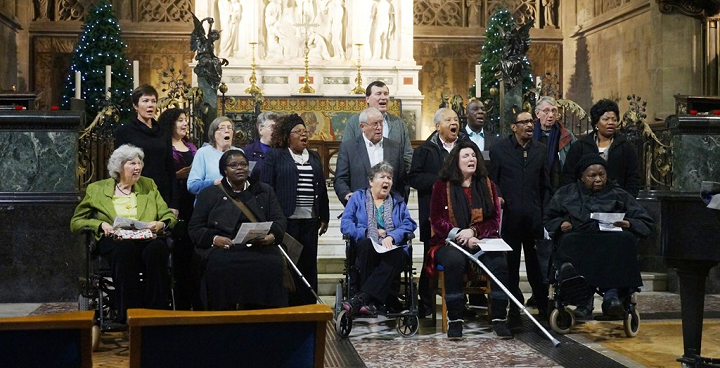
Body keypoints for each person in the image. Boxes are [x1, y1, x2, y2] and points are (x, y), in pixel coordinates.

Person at [70, 144, 177, 323]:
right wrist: (100, 224)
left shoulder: (148, 185)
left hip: (145, 238)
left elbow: (167, 215)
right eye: (132, 163)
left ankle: (156, 312)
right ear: (119, 167)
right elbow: (76, 222)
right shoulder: (97, 189)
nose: (138, 167)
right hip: (115, 241)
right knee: (125, 249)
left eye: (139, 163)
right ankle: (129, 313)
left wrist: (161, 223)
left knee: (157, 249)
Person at [545, 153, 653, 318]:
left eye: (601, 174)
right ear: (581, 177)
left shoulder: (619, 194)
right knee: (569, 241)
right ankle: (583, 299)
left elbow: (646, 221)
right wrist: (560, 224)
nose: (598, 179)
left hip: (610, 242)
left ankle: (612, 296)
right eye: (592, 175)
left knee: (627, 239)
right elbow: (548, 217)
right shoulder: (566, 193)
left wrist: (629, 223)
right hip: (580, 240)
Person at [429, 140, 512, 339]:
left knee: (499, 263)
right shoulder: (442, 186)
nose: (471, 159)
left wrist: (474, 232)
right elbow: (436, 220)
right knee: (454, 260)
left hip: (482, 240)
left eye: (474, 155)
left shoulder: (487, 185)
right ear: (455, 161)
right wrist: (460, 234)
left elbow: (494, 220)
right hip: (448, 242)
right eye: (466, 156)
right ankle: (455, 319)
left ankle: (499, 318)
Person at [188, 150, 288, 310]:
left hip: (259, 245)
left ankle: (267, 314)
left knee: (273, 263)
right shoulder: (209, 194)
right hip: (224, 247)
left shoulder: (264, 190)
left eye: (243, 164)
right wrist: (215, 239)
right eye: (233, 165)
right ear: (224, 170)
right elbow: (195, 227)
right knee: (218, 265)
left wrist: (272, 237)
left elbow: (279, 220)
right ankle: (221, 314)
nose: (240, 168)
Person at [489, 111, 552, 320]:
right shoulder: (499, 150)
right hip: (510, 218)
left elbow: (546, 184)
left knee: (536, 265)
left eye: (530, 122)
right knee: (511, 264)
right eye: (523, 122)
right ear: (513, 127)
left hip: (534, 217)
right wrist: (498, 196)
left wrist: (545, 213)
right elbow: (492, 181)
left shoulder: (541, 150)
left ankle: (542, 304)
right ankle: (514, 306)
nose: (529, 125)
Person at [261, 113, 330, 305]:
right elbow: (266, 188)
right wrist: (270, 219)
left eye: (305, 131)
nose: (303, 134)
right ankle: (287, 304)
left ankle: (308, 305)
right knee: (288, 264)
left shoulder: (314, 156)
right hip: (286, 220)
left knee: (308, 263)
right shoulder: (275, 155)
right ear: (286, 135)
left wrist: (324, 216)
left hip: (310, 219)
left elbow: (321, 188)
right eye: (297, 131)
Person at [408, 107, 468, 317]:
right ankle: (425, 304)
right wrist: (441, 182)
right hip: (433, 215)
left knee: (462, 256)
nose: (454, 123)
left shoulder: (465, 147)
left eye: (456, 119)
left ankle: (461, 302)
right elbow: (414, 177)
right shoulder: (425, 150)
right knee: (430, 258)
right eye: (449, 120)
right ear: (437, 126)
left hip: (463, 214)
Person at [340, 161, 417, 314]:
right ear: (371, 181)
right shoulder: (357, 198)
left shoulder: (397, 201)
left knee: (399, 254)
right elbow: (346, 224)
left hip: (390, 247)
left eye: (389, 177)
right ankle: (373, 301)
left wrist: (393, 236)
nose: (386, 181)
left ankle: (362, 299)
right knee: (367, 244)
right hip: (366, 245)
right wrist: (367, 232)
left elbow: (408, 224)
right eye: (382, 177)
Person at [158, 108, 198, 310]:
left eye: (186, 120)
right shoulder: (164, 145)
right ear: (170, 123)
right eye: (180, 120)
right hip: (174, 201)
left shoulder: (191, 146)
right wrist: (178, 176)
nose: (185, 124)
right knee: (179, 250)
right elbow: (162, 174)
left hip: (193, 201)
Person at [116, 84, 177, 214]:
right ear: (135, 105)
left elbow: (170, 166)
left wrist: (174, 203)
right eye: (145, 101)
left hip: (161, 191)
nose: (150, 105)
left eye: (153, 101)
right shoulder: (125, 131)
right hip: (137, 190)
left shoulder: (163, 131)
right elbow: (119, 166)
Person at [561, 98, 641, 197]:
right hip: (584, 202)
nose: (611, 123)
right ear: (596, 123)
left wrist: (626, 201)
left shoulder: (625, 146)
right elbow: (568, 176)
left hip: (617, 201)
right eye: (606, 119)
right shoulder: (580, 146)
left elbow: (633, 178)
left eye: (614, 119)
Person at [335, 107, 406, 205]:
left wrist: (399, 202)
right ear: (362, 126)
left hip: (390, 207)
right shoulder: (348, 148)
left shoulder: (395, 147)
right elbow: (340, 179)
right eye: (374, 124)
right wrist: (347, 196)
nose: (379, 127)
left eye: (381, 123)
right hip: (360, 208)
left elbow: (402, 180)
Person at [342, 81, 412, 173]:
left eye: (386, 94)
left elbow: (407, 154)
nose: (383, 97)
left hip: (391, 181)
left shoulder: (398, 123)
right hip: (363, 181)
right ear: (367, 99)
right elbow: (347, 154)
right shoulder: (354, 122)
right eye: (378, 94)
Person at [533, 96, 577, 192]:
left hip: (559, 185)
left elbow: (577, 158)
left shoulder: (566, 135)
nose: (551, 115)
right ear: (537, 113)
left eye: (554, 111)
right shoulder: (530, 135)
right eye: (546, 111)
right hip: (535, 186)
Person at [187, 116, 240, 196]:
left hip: (235, 203)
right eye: (222, 128)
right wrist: (214, 183)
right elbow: (192, 186)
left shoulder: (239, 152)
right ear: (213, 134)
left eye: (230, 128)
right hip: (211, 203)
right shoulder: (203, 153)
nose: (227, 131)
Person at [242, 111, 279, 183]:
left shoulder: (284, 151)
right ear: (261, 129)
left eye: (278, 128)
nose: (276, 131)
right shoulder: (248, 152)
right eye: (272, 127)